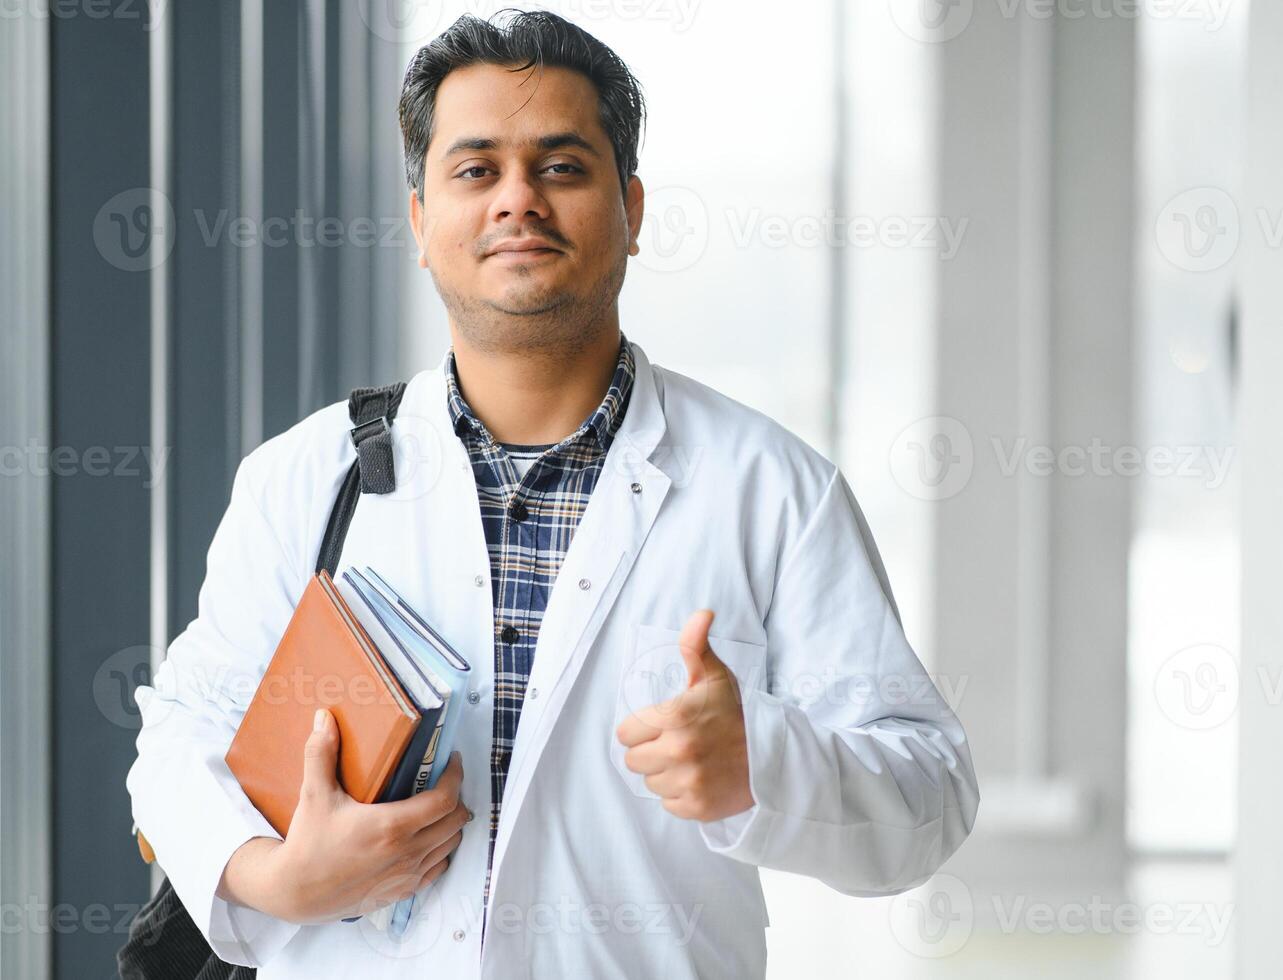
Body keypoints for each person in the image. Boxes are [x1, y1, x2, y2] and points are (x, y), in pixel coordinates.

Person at [126, 10, 979, 977]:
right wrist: (277, 878)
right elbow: (181, 733)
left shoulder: (772, 488)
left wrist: (763, 764)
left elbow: (931, 801)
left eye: (563, 167)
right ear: (419, 221)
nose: (517, 199)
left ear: (633, 209)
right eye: (475, 168)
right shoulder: (305, 477)